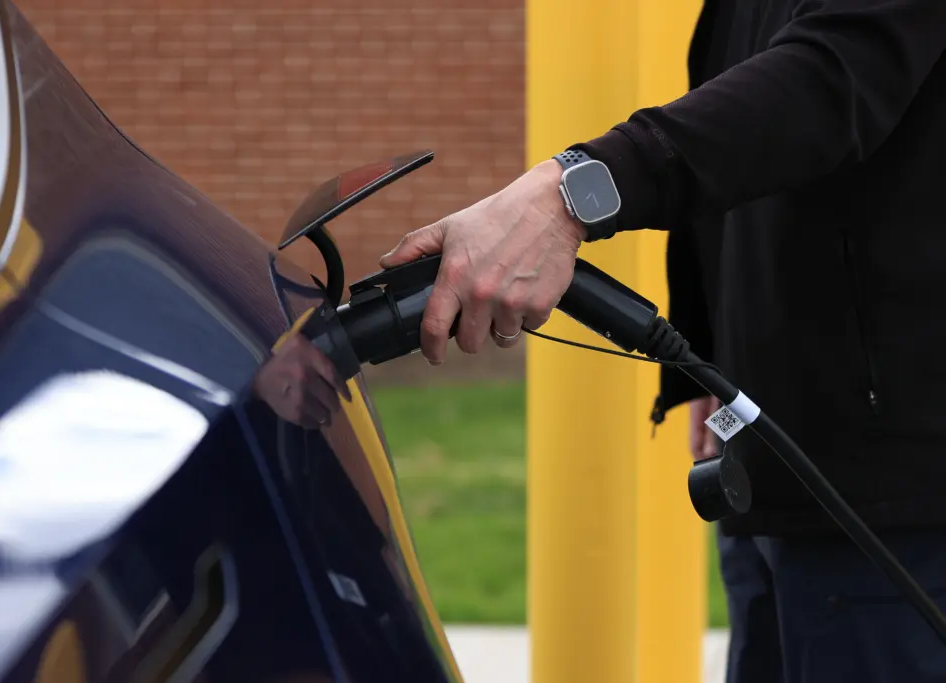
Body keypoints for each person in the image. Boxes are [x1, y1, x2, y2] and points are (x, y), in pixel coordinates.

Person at [380, 1, 946, 681]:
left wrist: (571, 192)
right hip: (775, 456)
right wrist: (713, 350)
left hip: (892, 483)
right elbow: (750, 159)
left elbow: (824, 84)